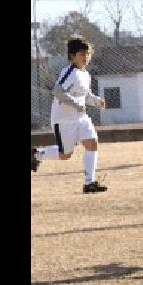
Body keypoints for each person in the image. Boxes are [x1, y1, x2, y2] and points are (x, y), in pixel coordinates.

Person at [31, 36, 109, 193]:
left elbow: (85, 95)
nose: (86, 57)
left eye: (88, 53)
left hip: (80, 118)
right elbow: (58, 92)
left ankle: (89, 183)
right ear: (72, 56)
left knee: (92, 142)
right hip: (63, 119)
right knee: (65, 154)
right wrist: (76, 104)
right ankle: (36, 154)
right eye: (82, 54)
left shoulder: (85, 74)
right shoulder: (69, 72)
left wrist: (96, 101)